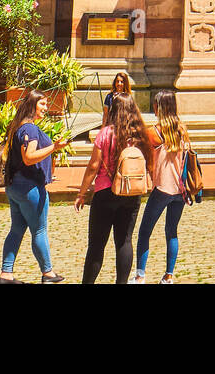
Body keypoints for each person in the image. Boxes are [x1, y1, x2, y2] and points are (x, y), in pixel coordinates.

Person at [76, 93, 153, 284]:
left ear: (113, 110)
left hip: (105, 191)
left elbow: (94, 166)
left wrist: (82, 193)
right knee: (124, 242)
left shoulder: (106, 133)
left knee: (96, 245)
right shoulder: (141, 135)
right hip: (131, 193)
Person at [0, 90, 69, 282]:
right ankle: (48, 273)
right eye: (43, 104)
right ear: (32, 106)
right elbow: (29, 158)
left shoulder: (18, 126)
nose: (46, 108)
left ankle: (6, 273)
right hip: (30, 188)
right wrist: (54, 147)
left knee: (16, 229)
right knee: (39, 230)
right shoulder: (29, 129)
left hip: (14, 187)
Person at [134, 89, 189, 284]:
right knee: (171, 231)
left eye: (155, 104)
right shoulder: (182, 129)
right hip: (180, 189)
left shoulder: (153, 132)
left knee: (144, 231)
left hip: (162, 188)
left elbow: (142, 154)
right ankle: (168, 276)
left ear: (160, 107)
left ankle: (140, 275)